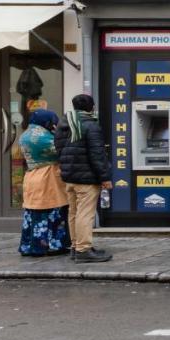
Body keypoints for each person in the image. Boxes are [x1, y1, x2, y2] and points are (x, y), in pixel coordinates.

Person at [55, 93, 113, 263]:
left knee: (73, 213)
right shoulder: (90, 124)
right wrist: (105, 177)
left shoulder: (64, 124)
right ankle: (83, 250)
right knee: (85, 214)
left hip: (70, 177)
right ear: (91, 107)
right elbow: (97, 153)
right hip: (87, 178)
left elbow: (58, 149)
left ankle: (75, 246)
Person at [18, 109, 71, 257]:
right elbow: (61, 150)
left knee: (33, 213)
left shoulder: (25, 135)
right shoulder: (42, 137)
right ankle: (51, 245)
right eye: (53, 122)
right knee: (52, 211)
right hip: (47, 177)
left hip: (31, 175)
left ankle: (28, 245)